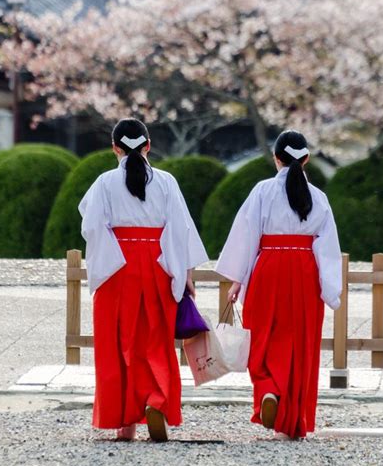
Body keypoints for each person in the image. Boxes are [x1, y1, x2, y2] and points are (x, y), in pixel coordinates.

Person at [79, 118, 208, 442]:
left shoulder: (105, 182)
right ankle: (156, 401)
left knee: (117, 343)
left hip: (117, 265)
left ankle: (124, 423)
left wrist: (106, 264)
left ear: (115, 149)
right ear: (148, 145)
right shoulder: (165, 182)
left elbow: (92, 228)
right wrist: (184, 273)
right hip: (157, 264)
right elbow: (180, 229)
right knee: (156, 339)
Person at [216, 130, 342, 440]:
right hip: (305, 271)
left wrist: (237, 280)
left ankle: (268, 390)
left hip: (268, 268)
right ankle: (292, 418)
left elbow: (246, 238)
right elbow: (327, 249)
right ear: (307, 159)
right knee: (298, 344)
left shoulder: (262, 191)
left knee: (261, 338)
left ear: (277, 159)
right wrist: (330, 291)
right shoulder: (319, 198)